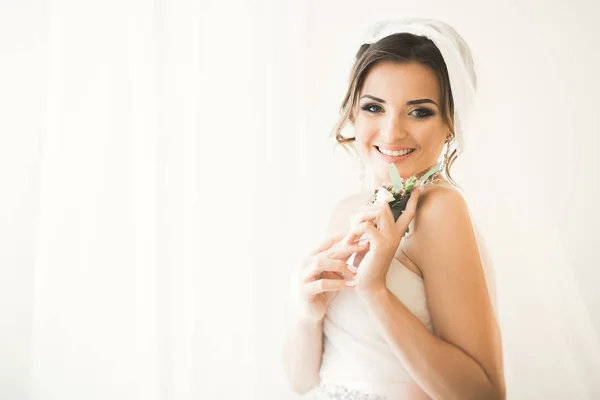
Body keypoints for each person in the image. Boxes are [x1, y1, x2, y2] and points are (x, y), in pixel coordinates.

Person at [282, 18, 506, 400]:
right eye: (374, 107)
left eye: (419, 111)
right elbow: (304, 383)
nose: (391, 131)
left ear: (450, 123)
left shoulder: (439, 211)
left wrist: (374, 290)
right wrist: (308, 313)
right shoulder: (344, 210)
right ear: (352, 113)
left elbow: (484, 395)